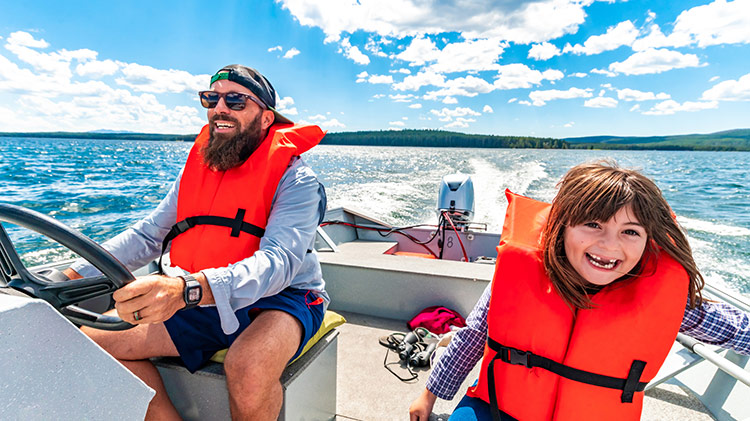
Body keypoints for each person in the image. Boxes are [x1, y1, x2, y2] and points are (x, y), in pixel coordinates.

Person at [64, 64, 328, 420]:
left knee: (248, 366)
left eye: (236, 100)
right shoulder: (196, 171)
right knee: (95, 341)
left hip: (283, 298)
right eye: (211, 98)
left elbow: (279, 262)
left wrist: (186, 290)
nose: (220, 107)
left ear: (266, 118)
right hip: (201, 293)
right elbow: (147, 235)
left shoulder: (298, 180)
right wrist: (70, 276)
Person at [409, 161, 750, 421]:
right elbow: (472, 337)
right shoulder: (517, 275)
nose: (608, 245)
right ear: (563, 226)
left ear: (648, 241)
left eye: (630, 232)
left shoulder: (665, 300)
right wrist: (429, 395)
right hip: (498, 408)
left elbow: (734, 329)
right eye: (593, 224)